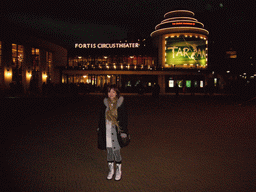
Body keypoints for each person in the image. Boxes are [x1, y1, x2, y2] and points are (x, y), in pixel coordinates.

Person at [97, 84, 129, 181]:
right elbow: (101, 117)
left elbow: (124, 119)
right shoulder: (105, 103)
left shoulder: (120, 104)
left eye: (113, 92)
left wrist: (124, 132)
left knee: (116, 152)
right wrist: (99, 129)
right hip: (106, 131)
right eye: (109, 92)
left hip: (116, 132)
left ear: (117, 93)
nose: (111, 94)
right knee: (109, 152)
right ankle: (111, 170)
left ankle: (119, 170)